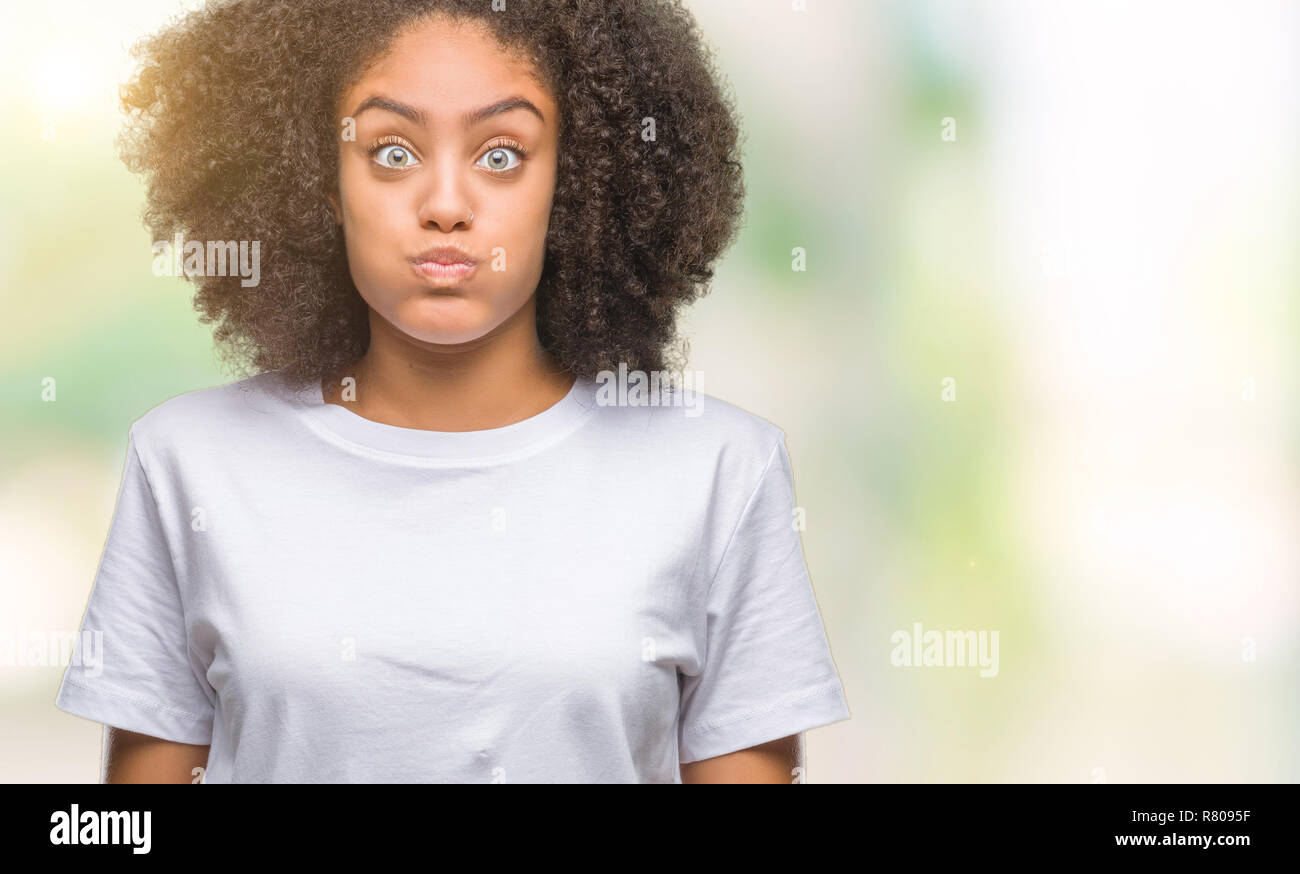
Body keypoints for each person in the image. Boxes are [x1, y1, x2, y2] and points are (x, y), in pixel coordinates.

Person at [56, 0, 850, 783]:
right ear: (320, 181)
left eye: (501, 154)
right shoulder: (189, 460)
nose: (444, 207)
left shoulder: (719, 471)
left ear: (574, 183)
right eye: (392, 152)